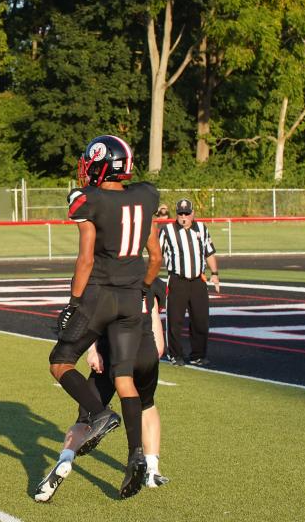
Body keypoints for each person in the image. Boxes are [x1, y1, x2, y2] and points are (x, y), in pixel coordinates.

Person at [47, 135, 162, 499]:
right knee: (124, 378)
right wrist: (142, 289)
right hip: (132, 298)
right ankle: (135, 455)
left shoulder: (88, 199)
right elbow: (155, 258)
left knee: (60, 362)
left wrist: (73, 303)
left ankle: (99, 414)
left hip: (99, 294)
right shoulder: (146, 195)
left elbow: (86, 260)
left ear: (98, 164)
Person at [35, 276, 170, 502]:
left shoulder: (102, 276)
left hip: (111, 355)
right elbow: (159, 338)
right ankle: (152, 471)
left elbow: (95, 319)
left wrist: (93, 350)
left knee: (86, 419)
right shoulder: (149, 279)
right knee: (146, 406)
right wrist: (150, 356)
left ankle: (65, 460)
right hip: (146, 351)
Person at [158, 198, 220, 366]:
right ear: (176, 214)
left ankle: (198, 354)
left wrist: (214, 273)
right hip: (178, 279)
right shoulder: (167, 231)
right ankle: (175, 355)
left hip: (198, 280)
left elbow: (209, 252)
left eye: (186, 213)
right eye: (180, 213)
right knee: (175, 320)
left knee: (201, 319)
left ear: (193, 213)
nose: (183, 217)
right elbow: (156, 255)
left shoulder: (201, 229)